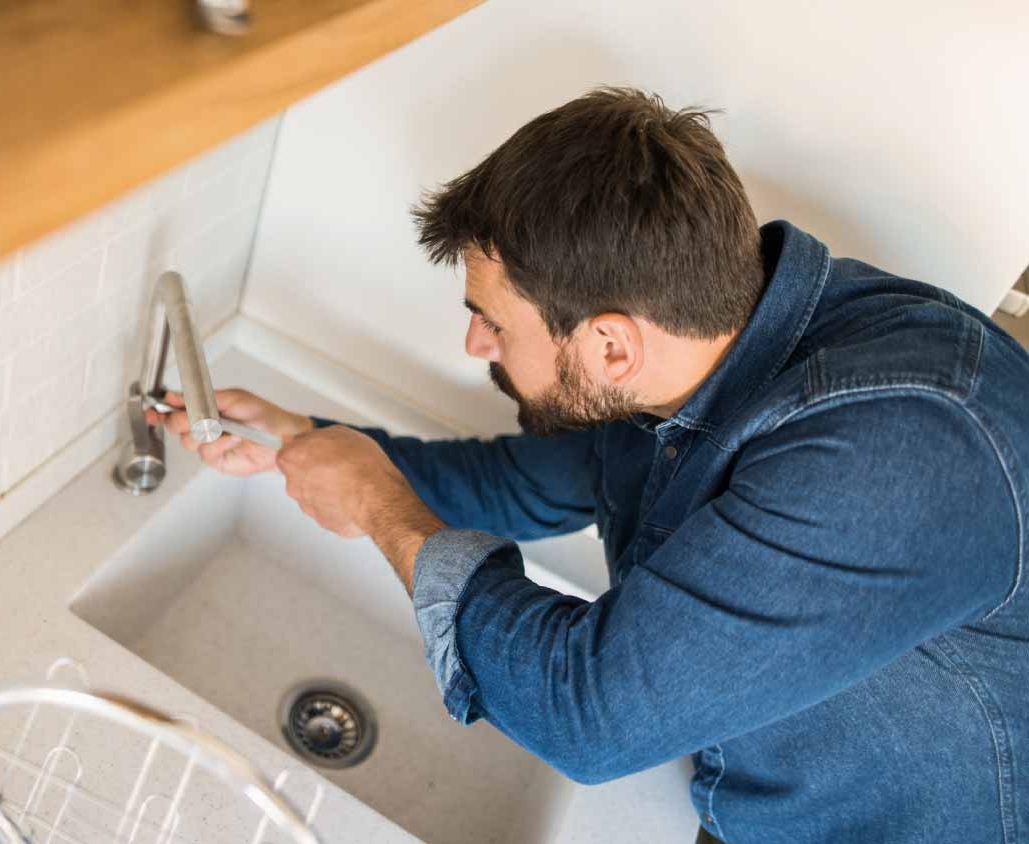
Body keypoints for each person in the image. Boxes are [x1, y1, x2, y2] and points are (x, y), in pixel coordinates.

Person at [148, 88, 1029, 844]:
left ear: (609, 344)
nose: (473, 342)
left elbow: (590, 712)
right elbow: (521, 485)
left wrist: (381, 508)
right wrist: (308, 439)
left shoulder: (896, 451)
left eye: (493, 320)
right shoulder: (695, 344)